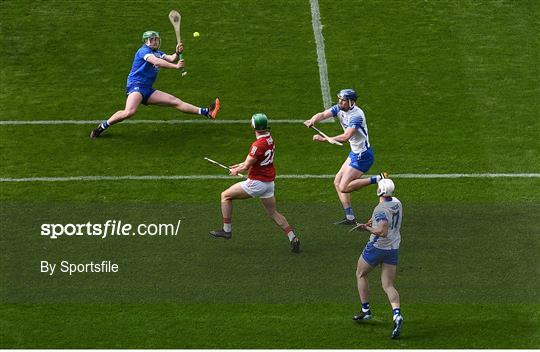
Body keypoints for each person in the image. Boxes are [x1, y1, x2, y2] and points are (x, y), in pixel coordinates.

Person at [90, 30, 220, 138]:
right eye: (153, 39)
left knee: (175, 101)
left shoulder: (158, 52)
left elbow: (170, 58)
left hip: (147, 89)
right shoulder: (143, 51)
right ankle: (100, 128)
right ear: (146, 41)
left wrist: (177, 53)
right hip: (136, 85)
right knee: (129, 112)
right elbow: (156, 62)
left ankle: (207, 112)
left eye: (157, 39)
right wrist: (175, 67)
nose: (156, 41)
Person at [209, 113, 301, 253]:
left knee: (225, 196)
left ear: (253, 127)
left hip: (256, 183)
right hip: (269, 184)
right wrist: (238, 166)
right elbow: (253, 160)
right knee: (273, 213)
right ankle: (292, 237)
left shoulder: (257, 145)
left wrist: (236, 171)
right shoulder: (270, 139)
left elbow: (247, 165)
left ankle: (226, 230)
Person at [304, 89, 385, 226]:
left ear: (351, 102)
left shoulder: (357, 116)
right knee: (337, 181)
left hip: (363, 156)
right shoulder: (340, 108)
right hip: (355, 153)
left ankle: (378, 178)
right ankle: (350, 217)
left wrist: (324, 139)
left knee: (344, 187)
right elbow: (323, 114)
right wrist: (313, 120)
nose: (340, 102)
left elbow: (346, 137)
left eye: (343, 100)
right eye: (340, 99)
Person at [350, 178, 404, 339]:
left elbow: (382, 231)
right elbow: (384, 220)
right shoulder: (397, 203)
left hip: (377, 248)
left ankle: (366, 310)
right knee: (388, 285)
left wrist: (367, 228)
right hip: (393, 248)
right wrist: (370, 222)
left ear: (379, 190)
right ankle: (397, 314)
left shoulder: (380, 208)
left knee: (360, 273)